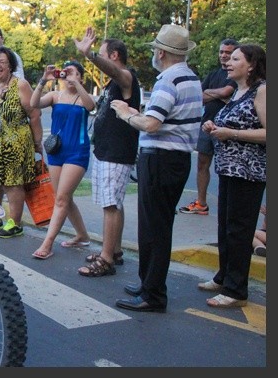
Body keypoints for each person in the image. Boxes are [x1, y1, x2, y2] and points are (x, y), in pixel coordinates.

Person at [110, 24, 202, 313]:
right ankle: (148, 283)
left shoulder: (169, 80)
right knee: (158, 225)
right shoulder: (190, 78)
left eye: (155, 50)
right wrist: (137, 114)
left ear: (161, 53)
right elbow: (164, 117)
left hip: (161, 158)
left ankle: (153, 293)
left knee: (154, 227)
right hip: (174, 159)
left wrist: (125, 114)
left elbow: (152, 124)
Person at [200, 43, 266, 308]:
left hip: (248, 173)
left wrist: (232, 133)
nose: (228, 62)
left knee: (239, 229)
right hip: (228, 170)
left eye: (236, 59)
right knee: (226, 226)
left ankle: (236, 290)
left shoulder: (262, 91)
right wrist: (213, 126)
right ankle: (224, 277)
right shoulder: (239, 93)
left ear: (251, 65)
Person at [73, 28, 141, 276]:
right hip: (107, 151)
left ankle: (106, 259)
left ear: (114, 55)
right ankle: (114, 250)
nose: (98, 59)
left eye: (102, 54)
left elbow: (114, 71)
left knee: (110, 205)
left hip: (116, 152)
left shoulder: (126, 77)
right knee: (114, 204)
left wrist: (89, 55)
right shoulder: (115, 82)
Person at [29, 61, 95, 259]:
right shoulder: (55, 96)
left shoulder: (83, 97)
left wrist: (78, 84)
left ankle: (47, 244)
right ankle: (82, 235)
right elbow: (33, 103)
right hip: (56, 151)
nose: (70, 77)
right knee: (64, 197)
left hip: (77, 153)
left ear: (81, 77)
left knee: (61, 199)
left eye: (75, 73)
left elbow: (91, 106)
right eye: (67, 73)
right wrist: (44, 80)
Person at [0, 46, 42, 239]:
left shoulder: (20, 85)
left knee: (13, 183)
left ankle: (15, 222)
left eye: (2, 62)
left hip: (17, 141)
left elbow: (34, 114)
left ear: (11, 66)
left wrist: (37, 142)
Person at [179, 38, 240, 216]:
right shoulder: (214, 74)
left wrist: (212, 93)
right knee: (202, 164)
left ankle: (228, 207)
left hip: (227, 128)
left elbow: (226, 92)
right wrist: (218, 94)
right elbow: (199, 95)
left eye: (228, 52)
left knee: (226, 169)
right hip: (206, 125)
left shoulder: (236, 75)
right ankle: (201, 203)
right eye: (222, 52)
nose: (224, 55)